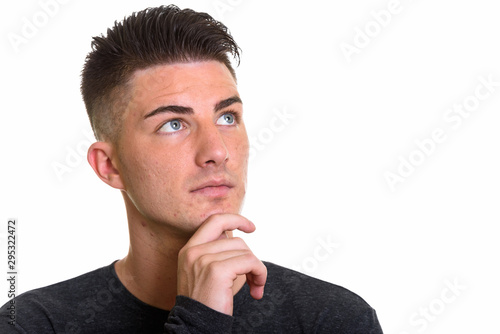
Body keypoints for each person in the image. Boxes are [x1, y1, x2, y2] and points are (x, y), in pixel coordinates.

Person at [0, 5, 383, 333]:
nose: (216, 151)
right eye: (173, 124)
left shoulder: (332, 319)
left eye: (228, 117)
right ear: (109, 165)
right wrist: (201, 321)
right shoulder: (34, 324)